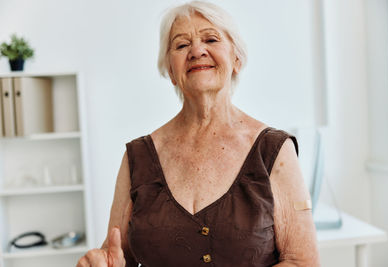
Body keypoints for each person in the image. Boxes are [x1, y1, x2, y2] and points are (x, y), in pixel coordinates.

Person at [77, 1, 320, 266]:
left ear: (236, 58)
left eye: (211, 39)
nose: (196, 50)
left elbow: (302, 261)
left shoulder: (274, 150)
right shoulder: (137, 158)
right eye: (181, 45)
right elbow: (116, 256)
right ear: (171, 71)